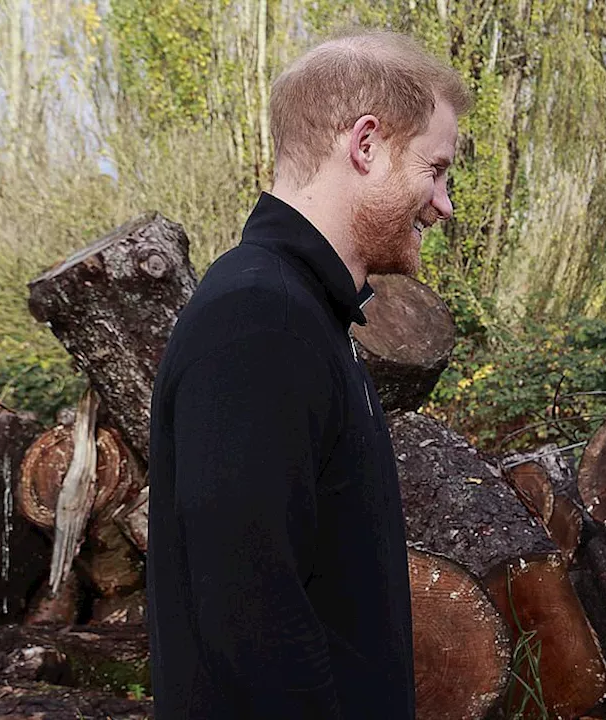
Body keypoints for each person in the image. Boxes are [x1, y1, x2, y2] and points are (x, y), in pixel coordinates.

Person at [146, 30, 470, 719]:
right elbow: (249, 614)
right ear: (366, 145)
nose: (444, 204)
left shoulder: (303, 312)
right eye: (435, 169)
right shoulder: (259, 319)